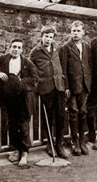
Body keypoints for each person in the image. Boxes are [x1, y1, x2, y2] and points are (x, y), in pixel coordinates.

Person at [0, 39, 39, 167]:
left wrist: (20, 82)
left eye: (19, 47)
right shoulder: (4, 59)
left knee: (24, 125)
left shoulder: (27, 63)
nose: (16, 49)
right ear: (10, 47)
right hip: (9, 98)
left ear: (22, 50)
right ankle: (17, 149)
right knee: (12, 125)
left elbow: (35, 79)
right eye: (14, 46)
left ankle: (25, 153)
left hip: (23, 98)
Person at [29, 25, 68, 159]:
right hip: (45, 88)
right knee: (48, 117)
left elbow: (63, 65)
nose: (48, 39)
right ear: (42, 36)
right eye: (46, 36)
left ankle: (59, 144)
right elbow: (31, 69)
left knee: (61, 116)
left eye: (51, 37)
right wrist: (37, 85)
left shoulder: (58, 49)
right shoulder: (36, 51)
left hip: (59, 87)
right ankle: (49, 143)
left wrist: (65, 84)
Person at [59, 20, 92, 156]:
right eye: (74, 31)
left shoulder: (86, 46)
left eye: (78, 31)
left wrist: (89, 83)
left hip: (84, 85)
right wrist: (66, 87)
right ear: (70, 32)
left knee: (83, 112)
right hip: (72, 87)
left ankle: (82, 140)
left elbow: (88, 65)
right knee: (73, 113)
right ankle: (74, 141)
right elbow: (64, 69)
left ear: (83, 32)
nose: (76, 34)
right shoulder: (66, 47)